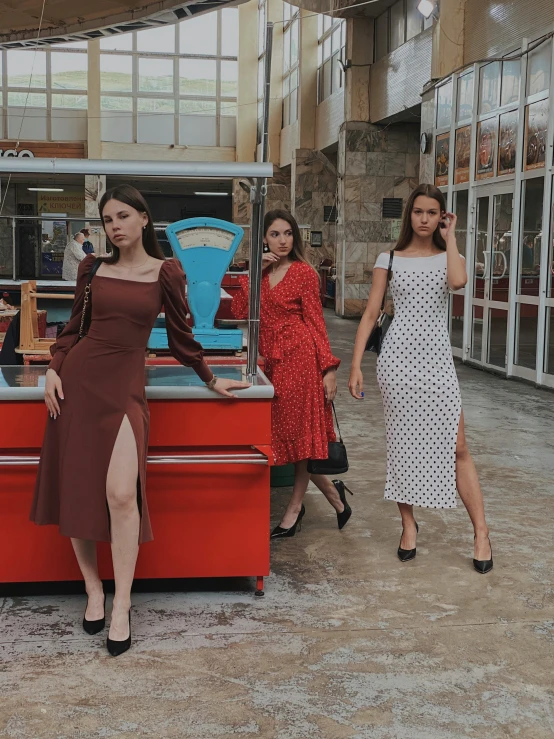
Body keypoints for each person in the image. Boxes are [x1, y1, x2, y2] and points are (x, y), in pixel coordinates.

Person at [31, 185, 249, 656]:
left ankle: (123, 603)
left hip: (125, 388)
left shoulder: (165, 272)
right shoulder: (93, 269)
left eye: (124, 216)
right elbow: (74, 329)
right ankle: (93, 590)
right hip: (78, 385)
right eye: (109, 219)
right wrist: (52, 368)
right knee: (78, 493)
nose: (116, 225)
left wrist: (211, 378)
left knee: (121, 494)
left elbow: (180, 337)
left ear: (144, 219)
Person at [348, 183, 493, 574]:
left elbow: (460, 282)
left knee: (458, 445)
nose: (425, 219)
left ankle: (481, 533)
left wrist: (453, 238)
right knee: (402, 446)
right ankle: (408, 524)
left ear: (442, 216)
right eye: (419, 212)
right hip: (396, 363)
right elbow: (370, 313)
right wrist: (357, 364)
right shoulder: (389, 258)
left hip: (436, 362)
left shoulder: (449, 256)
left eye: (433, 213)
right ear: (408, 215)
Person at [231, 209, 352, 538]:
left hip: (301, 361)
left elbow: (316, 323)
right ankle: (334, 495)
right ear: (264, 239)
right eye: (275, 234)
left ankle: (293, 510)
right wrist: (256, 269)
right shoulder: (260, 273)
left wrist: (328, 369)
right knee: (286, 437)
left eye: (287, 234)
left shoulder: (303, 273)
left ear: (295, 237)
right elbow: (240, 311)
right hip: (270, 363)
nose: (282, 241)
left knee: (299, 439)